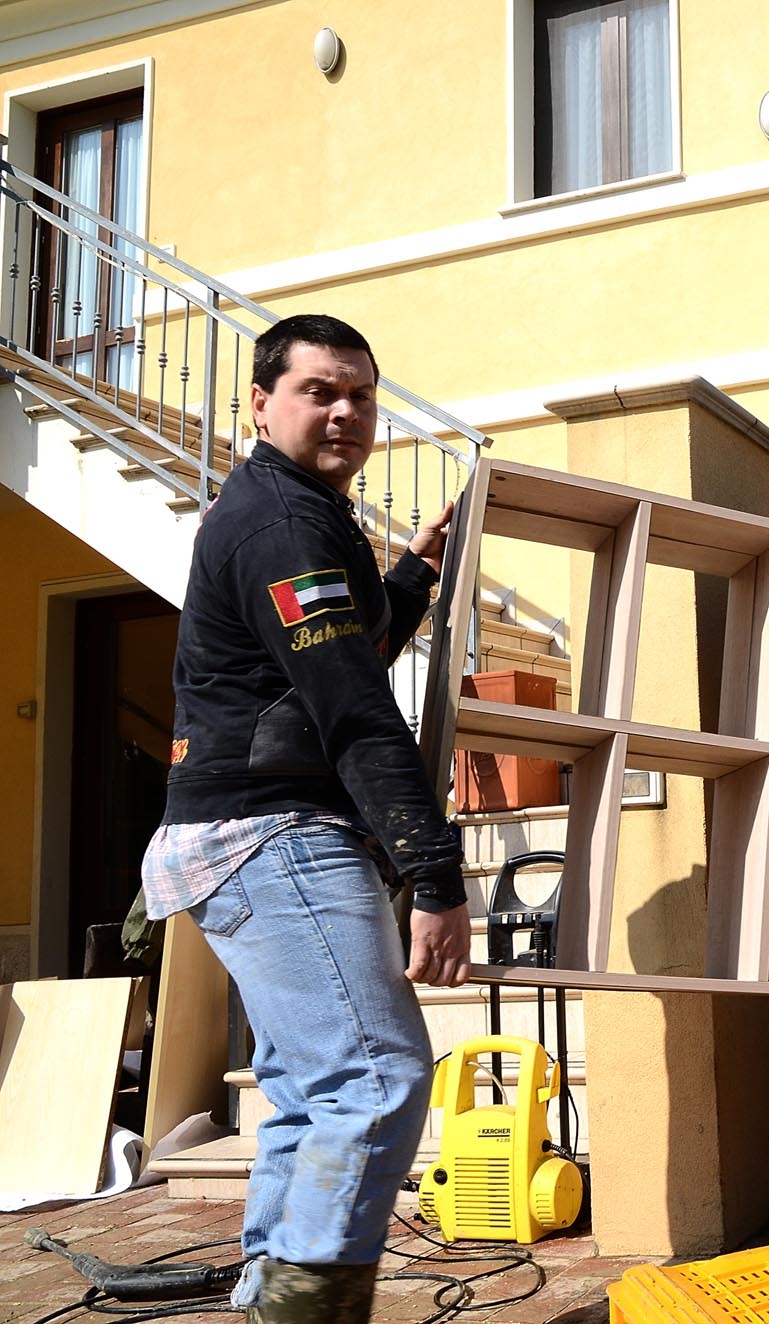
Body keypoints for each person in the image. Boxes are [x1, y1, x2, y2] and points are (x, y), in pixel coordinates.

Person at [140, 315, 469, 1323]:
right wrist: (436, 876)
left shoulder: (295, 513)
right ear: (258, 403)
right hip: (270, 832)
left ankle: (265, 1304)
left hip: (237, 833)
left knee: (308, 1093)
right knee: (376, 1079)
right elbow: (354, 712)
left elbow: (333, 659)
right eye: (320, 390)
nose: (344, 411)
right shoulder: (283, 525)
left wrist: (409, 576)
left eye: (361, 394)